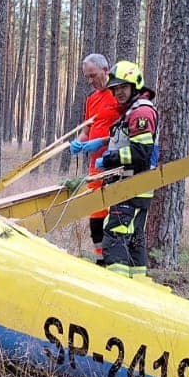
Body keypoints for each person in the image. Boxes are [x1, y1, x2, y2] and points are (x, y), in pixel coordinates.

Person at [93, 60, 157, 279]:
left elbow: (141, 153)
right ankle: (138, 285)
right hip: (134, 187)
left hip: (131, 187)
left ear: (134, 85)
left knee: (115, 238)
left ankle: (118, 287)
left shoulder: (141, 113)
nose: (118, 92)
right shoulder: (132, 111)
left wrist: (109, 158)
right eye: (115, 88)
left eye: (123, 86)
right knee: (134, 240)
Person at [67, 53, 122, 261]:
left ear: (105, 70)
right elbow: (87, 128)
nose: (91, 81)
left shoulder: (119, 93)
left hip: (117, 164)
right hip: (95, 166)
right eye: (87, 77)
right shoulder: (91, 99)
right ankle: (100, 259)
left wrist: (103, 142)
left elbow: (126, 130)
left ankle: (117, 258)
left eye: (93, 75)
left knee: (116, 211)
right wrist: (80, 142)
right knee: (95, 212)